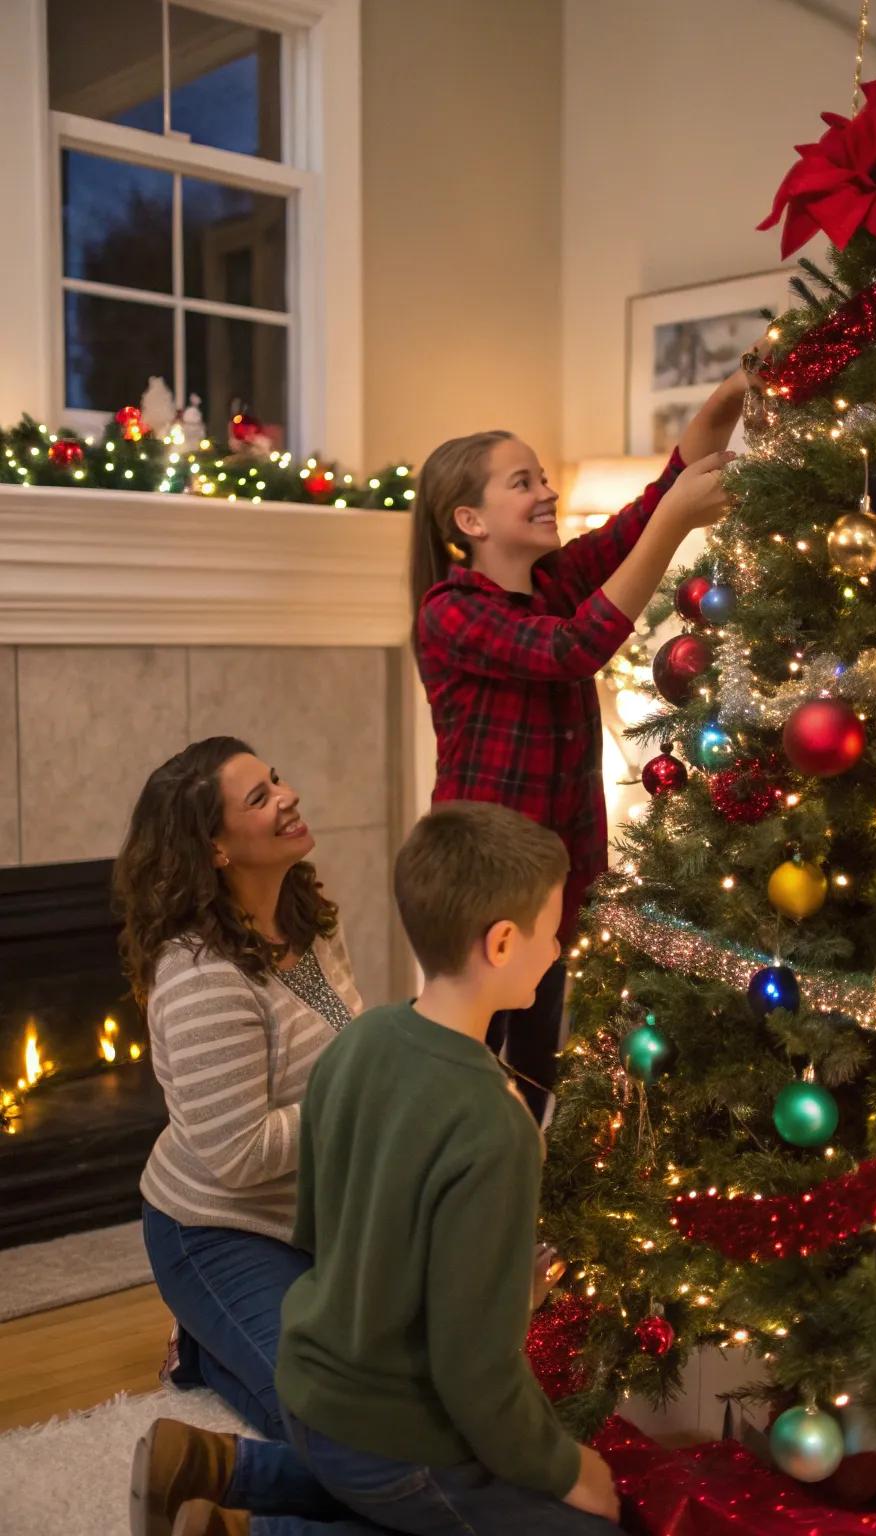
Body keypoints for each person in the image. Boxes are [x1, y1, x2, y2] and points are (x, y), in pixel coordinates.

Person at [129, 801, 622, 1536]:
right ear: (503, 942)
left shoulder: (361, 1043)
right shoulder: (496, 1128)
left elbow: (316, 1224)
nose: (559, 950)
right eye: (554, 932)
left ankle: (221, 1469)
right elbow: (475, 1378)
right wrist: (562, 1466)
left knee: (398, 1479)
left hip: (308, 1383)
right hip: (388, 1434)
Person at [409, 346, 767, 1123]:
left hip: (555, 885)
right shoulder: (451, 611)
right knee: (470, 1079)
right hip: (481, 889)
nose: (547, 491)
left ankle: (527, 1213)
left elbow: (664, 488)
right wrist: (673, 526)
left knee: (538, 1066)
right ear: (469, 521)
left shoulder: (554, 582)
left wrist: (742, 382)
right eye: (524, 482)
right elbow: (574, 648)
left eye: (543, 477)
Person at [115, 737, 362, 1450]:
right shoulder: (199, 974)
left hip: (310, 1219)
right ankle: (201, 1344)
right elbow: (238, 1153)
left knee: (410, 1384)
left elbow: (343, 1049)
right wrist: (363, 1096)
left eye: (276, 779)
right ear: (216, 849)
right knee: (334, 1423)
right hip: (219, 1230)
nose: (287, 796)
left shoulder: (310, 917)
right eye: (258, 798)